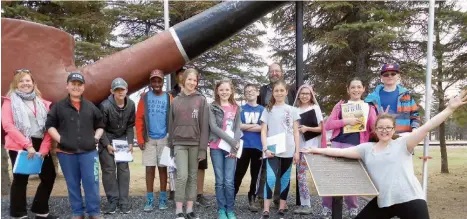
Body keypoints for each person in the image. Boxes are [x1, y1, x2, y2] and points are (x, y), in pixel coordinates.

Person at [303, 89, 467, 219]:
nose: (384, 130)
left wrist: (450, 108)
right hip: (385, 202)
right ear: (375, 129)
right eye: (380, 127)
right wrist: (316, 150)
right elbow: (340, 151)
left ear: (393, 130)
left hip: (410, 199)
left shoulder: (404, 143)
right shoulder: (367, 148)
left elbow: (428, 126)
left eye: (388, 127)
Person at [46, 72, 105, 219]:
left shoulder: (91, 107)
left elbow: (100, 125)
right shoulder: (59, 106)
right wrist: (61, 139)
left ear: (83, 87)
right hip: (66, 153)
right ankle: (77, 212)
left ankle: (94, 212)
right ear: (67, 86)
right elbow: (50, 125)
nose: (76, 87)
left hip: (89, 152)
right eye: (73, 84)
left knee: (91, 183)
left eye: (79, 85)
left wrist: (95, 138)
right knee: (72, 184)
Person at [2, 69, 58, 219]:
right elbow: (8, 125)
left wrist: (44, 148)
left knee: (49, 176)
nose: (25, 83)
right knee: (21, 179)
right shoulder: (9, 102)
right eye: (21, 81)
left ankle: (40, 209)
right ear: (15, 84)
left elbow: (48, 127)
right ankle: (18, 213)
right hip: (19, 143)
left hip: (40, 143)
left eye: (28, 81)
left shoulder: (43, 103)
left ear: (33, 83)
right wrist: (28, 145)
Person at [320, 78, 377, 218]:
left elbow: (374, 128)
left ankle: (353, 207)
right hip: (337, 143)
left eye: (359, 87)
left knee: (351, 177)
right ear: (348, 89)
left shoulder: (369, 107)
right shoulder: (340, 105)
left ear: (363, 89)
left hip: (356, 145)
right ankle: (326, 207)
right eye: (353, 87)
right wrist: (347, 121)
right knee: (331, 176)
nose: (356, 90)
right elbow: (328, 125)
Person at [168, 68, 210, 219]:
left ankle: (190, 209)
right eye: (189, 79)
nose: (192, 83)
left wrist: (202, 150)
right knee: (182, 176)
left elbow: (205, 127)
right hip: (179, 143)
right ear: (183, 80)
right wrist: (171, 147)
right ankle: (179, 208)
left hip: (196, 144)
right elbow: (171, 125)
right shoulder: (175, 101)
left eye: (195, 80)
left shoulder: (202, 100)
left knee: (192, 176)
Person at [257, 63, 297, 207]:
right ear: (268, 73)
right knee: (267, 169)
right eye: (271, 71)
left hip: (286, 137)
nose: (274, 73)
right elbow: (260, 110)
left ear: (282, 73)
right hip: (270, 136)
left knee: (283, 171)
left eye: (277, 71)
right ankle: (262, 197)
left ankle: (278, 198)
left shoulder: (291, 90)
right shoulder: (262, 90)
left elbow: (295, 109)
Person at [260, 80, 300, 219]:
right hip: (272, 149)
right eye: (276, 91)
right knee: (270, 178)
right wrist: (265, 148)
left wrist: (297, 152)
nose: (279, 93)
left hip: (289, 149)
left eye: (282, 90)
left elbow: (296, 132)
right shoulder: (267, 109)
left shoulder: (292, 110)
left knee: (285, 178)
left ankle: (282, 207)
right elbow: (264, 131)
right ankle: (266, 209)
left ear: (286, 92)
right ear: (273, 92)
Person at [136, 70, 174, 212]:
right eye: (154, 81)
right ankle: (150, 199)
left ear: (163, 82)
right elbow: (139, 118)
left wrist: (172, 139)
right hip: (149, 139)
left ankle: (163, 198)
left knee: (163, 169)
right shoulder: (144, 98)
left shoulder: (169, 97)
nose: (156, 84)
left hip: (164, 138)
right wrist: (140, 138)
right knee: (149, 169)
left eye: (159, 81)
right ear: (150, 82)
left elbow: (174, 119)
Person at [98, 78, 136, 214]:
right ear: (112, 91)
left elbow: (131, 125)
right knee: (108, 170)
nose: (120, 92)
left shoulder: (131, 105)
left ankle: (124, 201)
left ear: (127, 90)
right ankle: (112, 201)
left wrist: (130, 141)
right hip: (106, 138)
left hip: (121, 139)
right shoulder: (105, 106)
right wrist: (107, 144)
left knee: (124, 170)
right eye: (117, 90)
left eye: (122, 89)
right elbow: (100, 128)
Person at [208, 79, 242, 219]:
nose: (224, 92)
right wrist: (233, 142)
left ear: (231, 91)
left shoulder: (236, 107)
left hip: (231, 148)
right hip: (216, 147)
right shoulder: (212, 107)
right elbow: (214, 127)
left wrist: (235, 146)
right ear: (217, 91)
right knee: (220, 180)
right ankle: (221, 210)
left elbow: (238, 128)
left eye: (227, 89)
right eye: (221, 89)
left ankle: (230, 210)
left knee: (229, 181)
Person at [291, 84, 326, 215]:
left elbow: (321, 128)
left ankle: (326, 204)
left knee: (317, 176)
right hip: (299, 147)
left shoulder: (315, 108)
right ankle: (306, 204)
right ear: (298, 95)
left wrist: (307, 129)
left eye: (307, 93)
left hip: (311, 147)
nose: (305, 96)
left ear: (311, 95)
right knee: (301, 176)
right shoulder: (294, 109)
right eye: (302, 93)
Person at [233, 84, 264, 213]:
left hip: (258, 147)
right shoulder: (241, 109)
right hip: (244, 146)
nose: (250, 92)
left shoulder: (263, 110)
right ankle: (231, 198)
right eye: (247, 91)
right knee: (238, 173)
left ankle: (252, 198)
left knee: (255, 175)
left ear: (257, 93)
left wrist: (247, 126)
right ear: (244, 95)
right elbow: (238, 126)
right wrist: (255, 126)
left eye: (252, 90)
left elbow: (264, 127)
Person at [365, 63, 420, 134]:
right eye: (386, 74)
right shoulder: (371, 99)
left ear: (398, 76)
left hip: (402, 138)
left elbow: (415, 115)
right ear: (381, 77)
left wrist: (415, 129)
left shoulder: (406, 96)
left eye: (393, 74)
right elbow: (366, 120)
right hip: (379, 138)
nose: (389, 76)